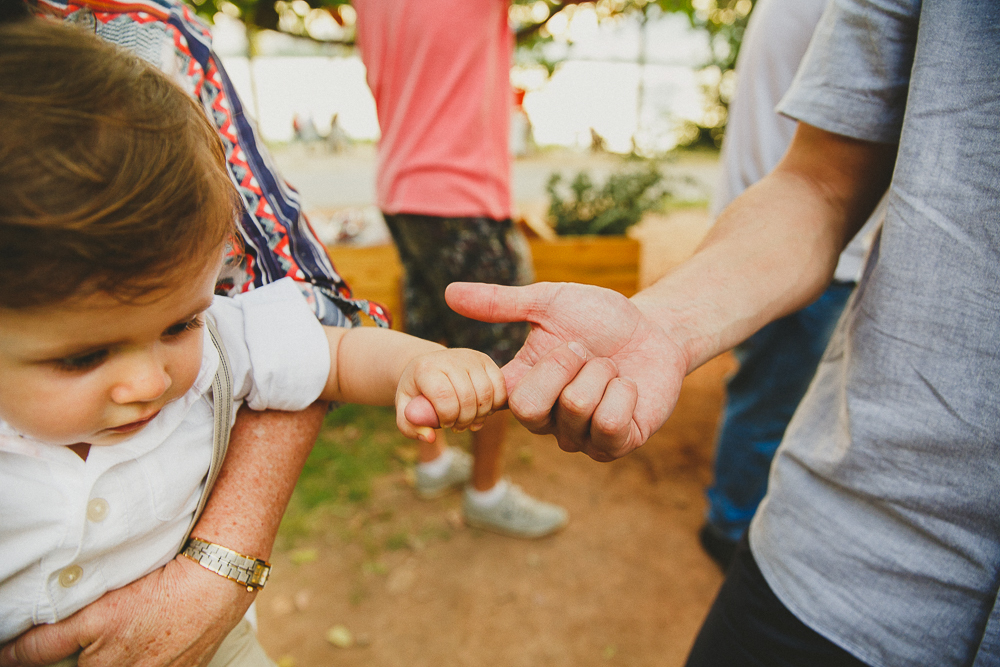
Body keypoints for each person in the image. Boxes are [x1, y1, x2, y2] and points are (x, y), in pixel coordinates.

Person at [445, 0, 1000, 662]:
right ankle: (728, 523)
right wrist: (661, 325)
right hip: (843, 558)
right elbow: (820, 181)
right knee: (763, 403)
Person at [0, 17, 507, 666]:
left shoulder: (223, 340)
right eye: (83, 356)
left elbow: (338, 355)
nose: (151, 379)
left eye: (178, 323)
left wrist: (422, 363)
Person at [352, 0, 567, 538]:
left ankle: (433, 464)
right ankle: (486, 492)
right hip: (461, 191)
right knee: (497, 352)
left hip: (401, 190)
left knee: (427, 340)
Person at [697, 0, 885, 568]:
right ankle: (729, 526)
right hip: (803, 246)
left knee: (768, 391)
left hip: (767, 227)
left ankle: (734, 516)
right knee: (772, 401)